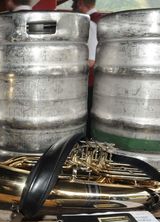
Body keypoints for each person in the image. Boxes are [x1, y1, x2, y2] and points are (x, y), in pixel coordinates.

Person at [75, 0, 103, 136]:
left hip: (89, 81)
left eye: (74, 4)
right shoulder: (100, 19)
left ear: (80, 3)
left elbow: (91, 60)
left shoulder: (90, 23)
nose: (72, 7)